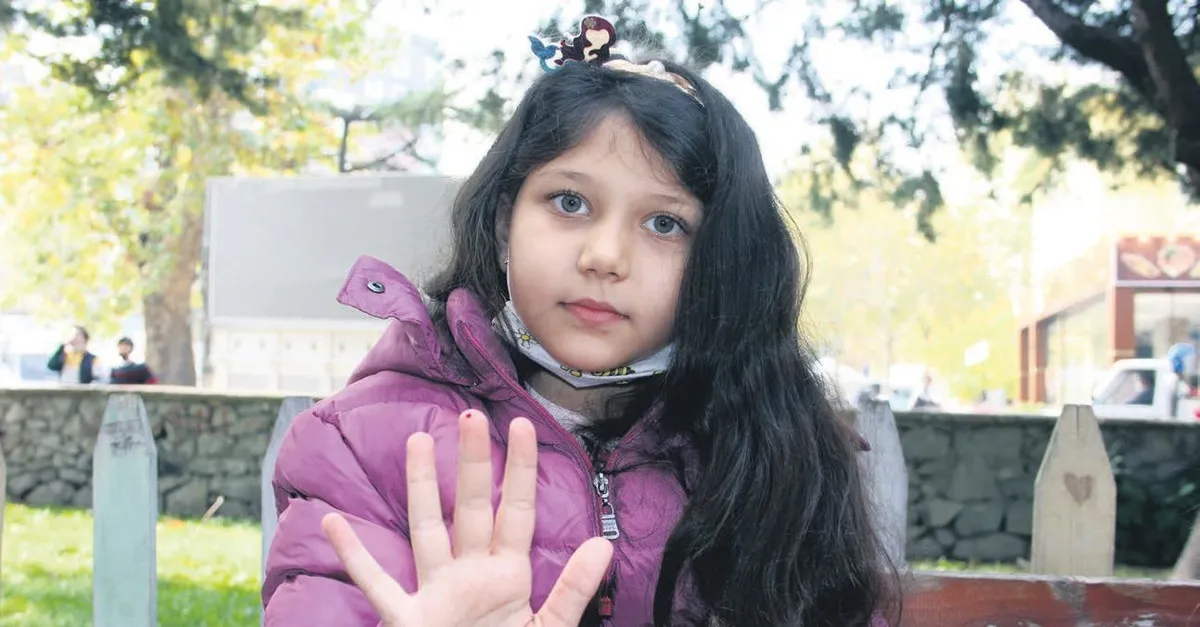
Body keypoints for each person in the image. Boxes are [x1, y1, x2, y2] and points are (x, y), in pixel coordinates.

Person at [262, 15, 897, 627]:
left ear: (722, 262)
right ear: (505, 222)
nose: (604, 256)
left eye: (665, 223)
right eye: (570, 202)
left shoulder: (779, 453)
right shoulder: (359, 446)